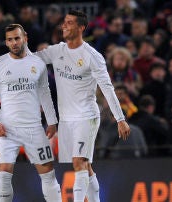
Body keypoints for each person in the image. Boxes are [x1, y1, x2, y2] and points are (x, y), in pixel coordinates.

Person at [32, 10, 130, 202]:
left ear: (81, 28)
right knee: (86, 166)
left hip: (87, 116)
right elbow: (33, 59)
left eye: (69, 23)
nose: (64, 26)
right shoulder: (57, 51)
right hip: (67, 119)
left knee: (79, 162)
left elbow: (108, 89)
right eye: (64, 23)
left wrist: (120, 119)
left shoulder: (92, 56)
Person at [0, 24, 62, 202]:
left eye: (17, 38)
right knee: (3, 174)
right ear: (6, 42)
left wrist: (51, 120)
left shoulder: (37, 63)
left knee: (48, 174)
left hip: (33, 127)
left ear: (25, 37)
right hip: (7, 128)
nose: (14, 43)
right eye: (10, 40)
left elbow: (44, 92)